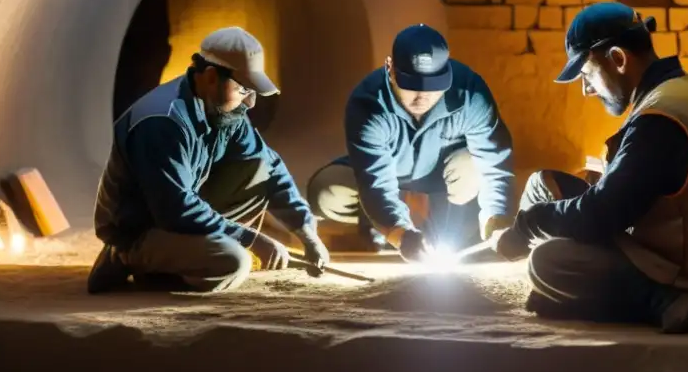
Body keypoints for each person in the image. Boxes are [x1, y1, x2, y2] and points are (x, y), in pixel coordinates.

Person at [493, 2, 688, 333]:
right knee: (542, 184)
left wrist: (529, 225)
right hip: (667, 239)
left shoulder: (661, 117)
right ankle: (581, 297)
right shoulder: (673, 94)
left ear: (618, 59)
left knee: (549, 262)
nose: (586, 89)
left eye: (587, 74)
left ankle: (672, 301)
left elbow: (602, 214)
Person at [88, 27, 329, 294]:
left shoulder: (226, 111)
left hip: (177, 213)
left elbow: (268, 168)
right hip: (140, 226)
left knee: (258, 171)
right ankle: (127, 256)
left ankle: (173, 261)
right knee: (232, 262)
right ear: (212, 77)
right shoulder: (161, 122)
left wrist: (307, 232)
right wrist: (249, 239)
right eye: (243, 89)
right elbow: (176, 210)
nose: (250, 103)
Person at [307, 24, 514, 262]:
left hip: (444, 176)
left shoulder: (470, 93)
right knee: (326, 191)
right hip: (387, 172)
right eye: (411, 85)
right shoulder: (367, 103)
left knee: (472, 167)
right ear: (390, 69)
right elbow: (375, 182)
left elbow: (495, 161)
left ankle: (450, 230)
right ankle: (380, 227)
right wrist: (400, 234)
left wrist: (497, 218)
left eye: (434, 86)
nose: (422, 96)